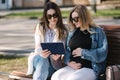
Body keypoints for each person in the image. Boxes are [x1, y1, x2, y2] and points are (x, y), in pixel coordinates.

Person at [51, 4, 108, 80]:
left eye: (76, 19)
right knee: (56, 77)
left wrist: (83, 52)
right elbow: (68, 51)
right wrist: (69, 63)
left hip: (90, 68)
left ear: (84, 17)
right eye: (72, 19)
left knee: (73, 79)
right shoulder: (72, 32)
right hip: (72, 67)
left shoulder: (98, 32)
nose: (74, 22)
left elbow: (103, 53)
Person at [26, 2, 68, 80]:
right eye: (49, 16)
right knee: (43, 59)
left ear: (58, 14)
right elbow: (38, 47)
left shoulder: (64, 30)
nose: (52, 19)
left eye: (55, 15)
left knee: (46, 69)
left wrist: (58, 57)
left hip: (54, 63)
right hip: (38, 60)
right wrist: (41, 53)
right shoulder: (40, 27)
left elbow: (64, 48)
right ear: (46, 17)